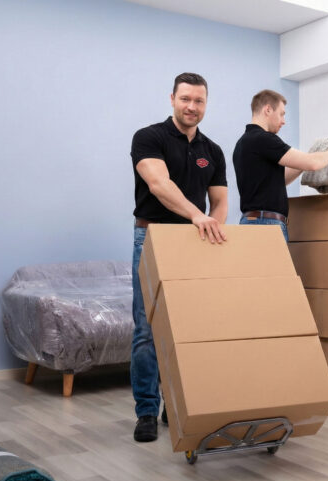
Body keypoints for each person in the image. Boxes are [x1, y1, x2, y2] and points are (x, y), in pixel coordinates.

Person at [130, 73, 228, 442]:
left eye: (199, 101)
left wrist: (212, 230)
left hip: (196, 239)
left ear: (206, 104)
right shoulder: (149, 137)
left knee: (191, 328)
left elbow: (219, 201)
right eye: (185, 99)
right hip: (153, 236)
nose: (192, 107)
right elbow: (159, 184)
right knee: (146, 329)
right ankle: (145, 412)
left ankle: (178, 404)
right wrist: (197, 216)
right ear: (172, 98)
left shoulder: (213, 150)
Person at [233, 89, 328, 241]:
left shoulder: (243, 142)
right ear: (268, 110)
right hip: (266, 224)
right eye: (281, 114)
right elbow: (313, 163)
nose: (283, 121)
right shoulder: (263, 139)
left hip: (254, 222)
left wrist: (301, 162)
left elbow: (280, 180)